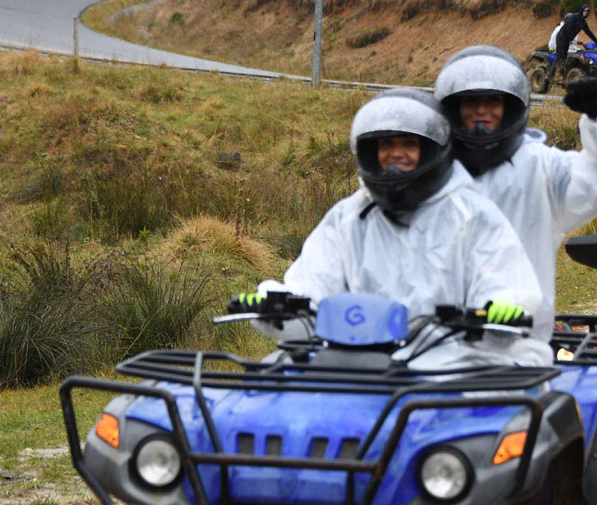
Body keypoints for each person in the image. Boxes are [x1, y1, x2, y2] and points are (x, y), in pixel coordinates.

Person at [233, 88, 550, 367]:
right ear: (373, 152)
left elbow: (508, 283)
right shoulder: (348, 217)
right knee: (270, 386)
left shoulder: (472, 215)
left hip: (451, 368)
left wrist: (500, 309)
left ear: (431, 150)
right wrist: (275, 306)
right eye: (386, 144)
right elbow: (311, 288)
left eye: (409, 143)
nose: (396, 153)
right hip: (358, 365)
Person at [433, 45, 597, 346]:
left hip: (519, 344)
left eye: (493, 100)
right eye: (470, 101)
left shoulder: (541, 168)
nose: (482, 110)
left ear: (511, 106)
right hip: (435, 345)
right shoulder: (429, 172)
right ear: (453, 108)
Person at [554, 5, 597, 75]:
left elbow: (588, 32)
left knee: (564, 56)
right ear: (581, 10)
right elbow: (568, 29)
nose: (586, 13)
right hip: (561, 37)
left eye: (587, 12)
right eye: (585, 11)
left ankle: (561, 73)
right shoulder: (573, 17)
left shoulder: (583, 22)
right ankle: (552, 74)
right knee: (560, 56)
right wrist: (572, 39)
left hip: (568, 39)